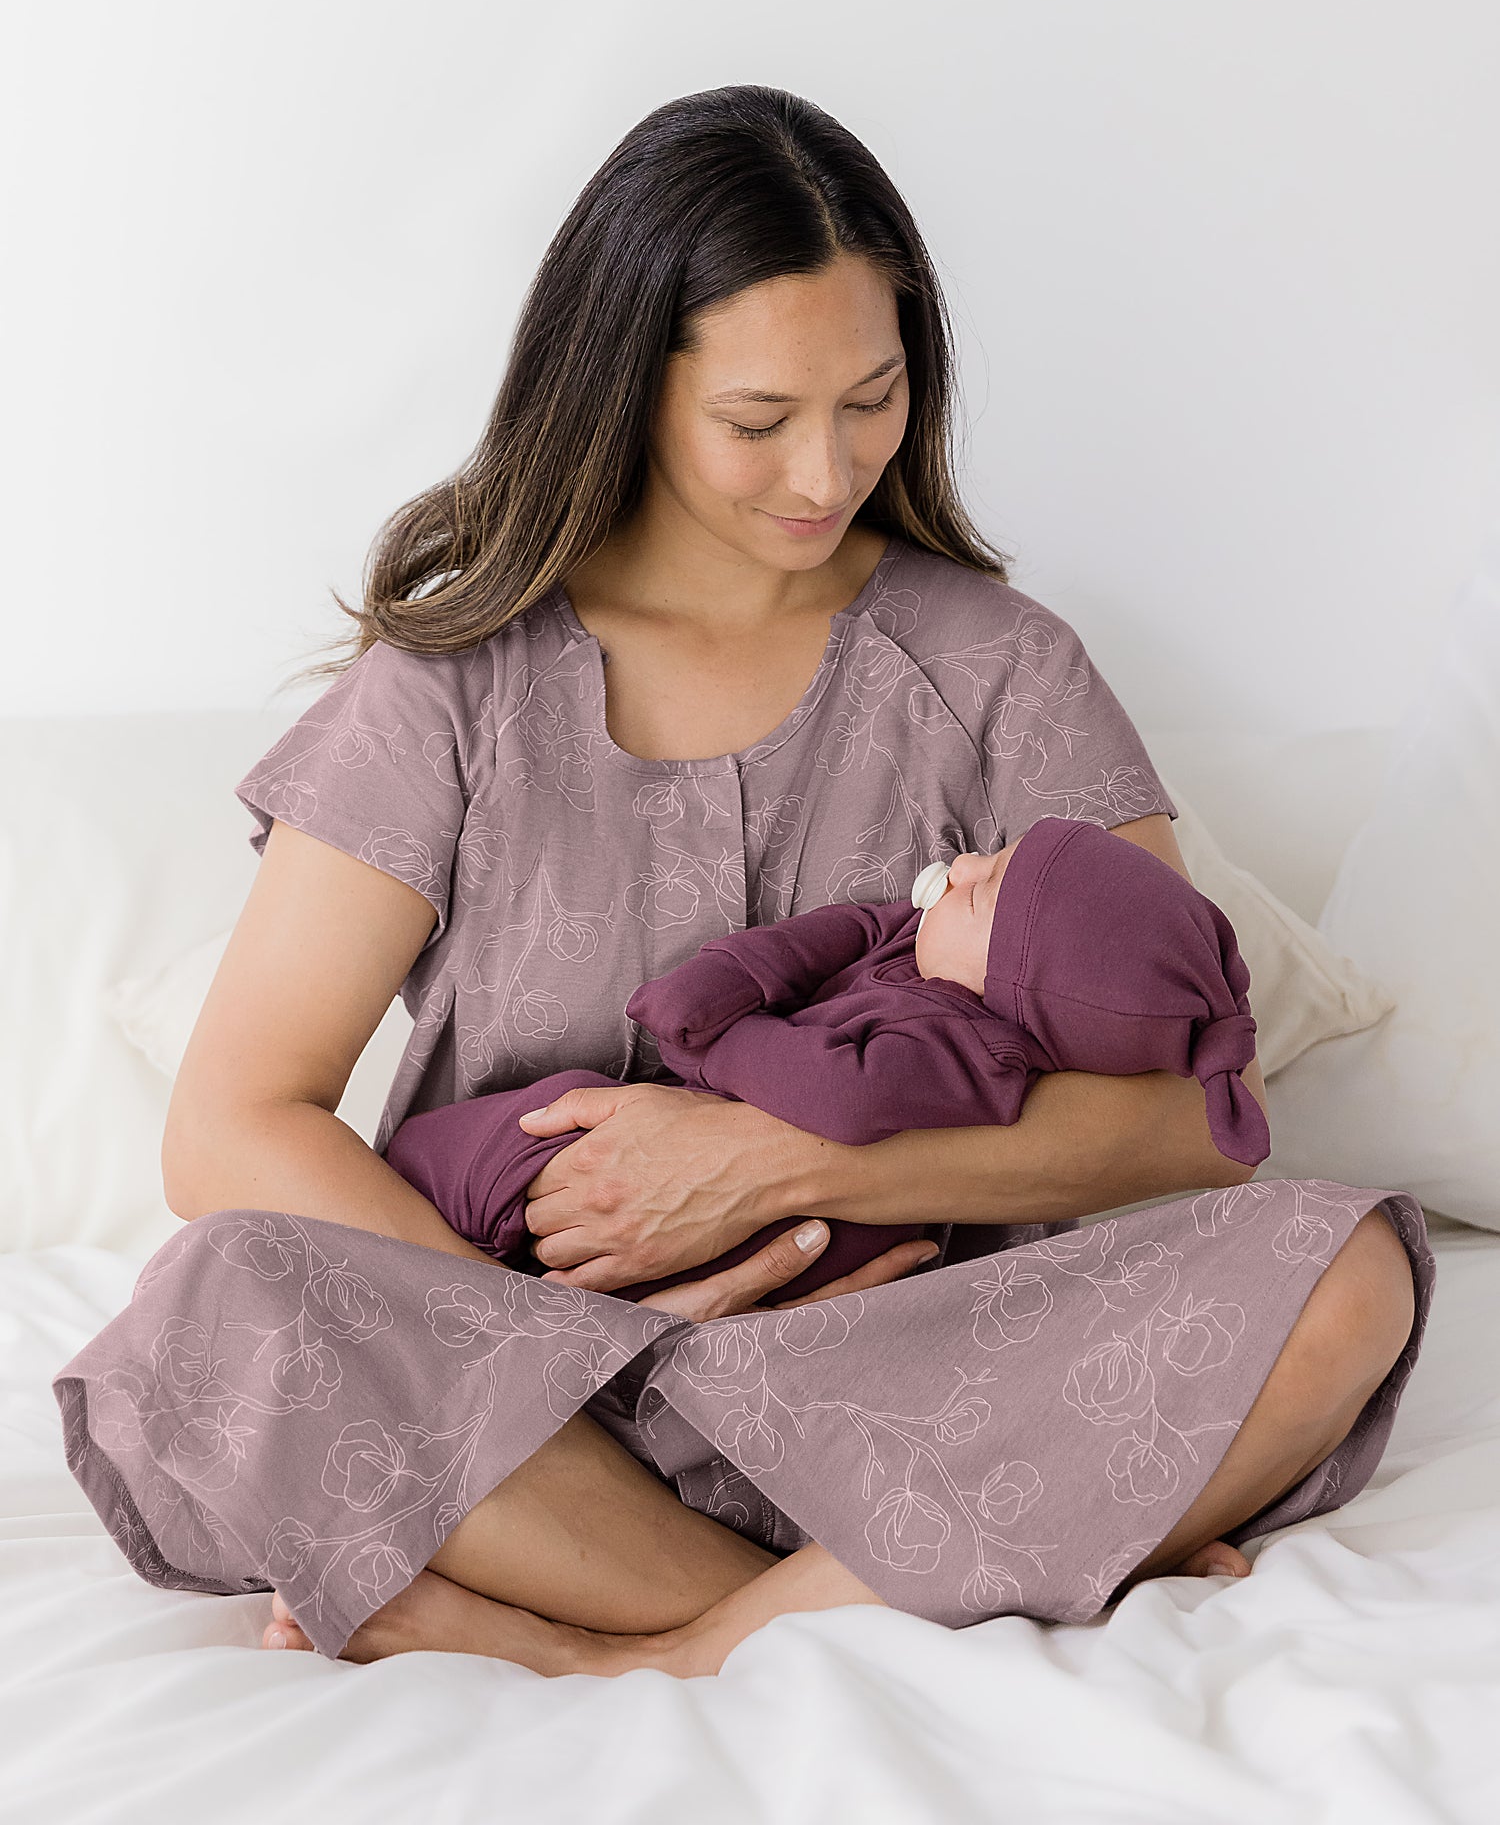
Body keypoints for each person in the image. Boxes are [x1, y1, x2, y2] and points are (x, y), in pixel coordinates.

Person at [52, 85, 1432, 1677]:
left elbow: (1197, 1117)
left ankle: (654, 1649)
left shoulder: (1001, 670)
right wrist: (575, 1341)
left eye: (875, 396)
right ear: (624, 391)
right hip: (519, 1399)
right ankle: (916, 1577)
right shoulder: (453, 689)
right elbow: (233, 1121)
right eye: (760, 420)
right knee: (217, 1306)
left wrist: (778, 1167)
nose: (829, 468)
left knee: (1352, 1271)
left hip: (914, 1372)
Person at [380, 814, 1272, 1303]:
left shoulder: (962, 1048)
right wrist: (730, 973)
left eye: (988, 886)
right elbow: (844, 930)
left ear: (1025, 983)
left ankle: (433, 1206)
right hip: (682, 1202)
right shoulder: (928, 954)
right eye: (990, 854)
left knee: (540, 1117)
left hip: (783, 1249)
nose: (959, 867)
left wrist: (712, 1039)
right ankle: (451, 1253)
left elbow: (838, 1100)